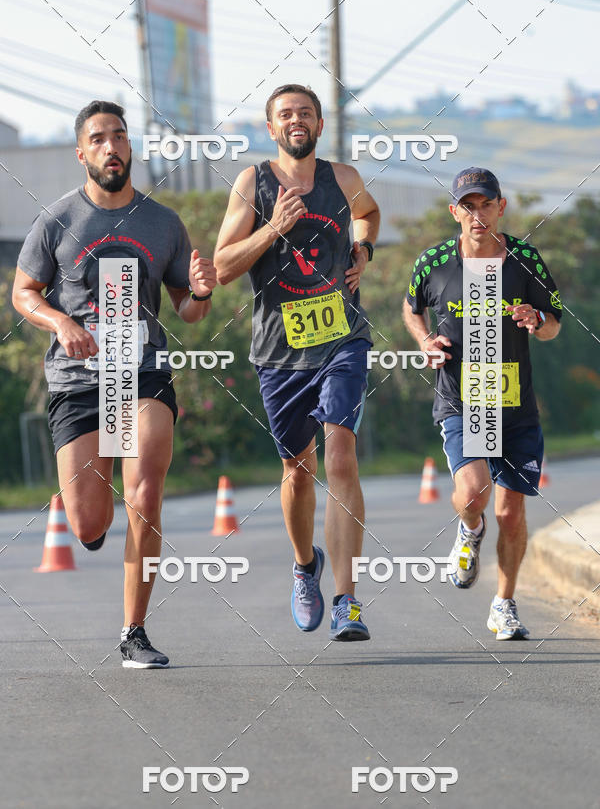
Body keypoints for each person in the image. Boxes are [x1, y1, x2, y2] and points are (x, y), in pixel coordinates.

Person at [12, 100, 216, 668]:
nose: (111, 146)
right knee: (87, 522)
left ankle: (134, 631)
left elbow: (188, 310)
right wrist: (61, 322)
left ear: (131, 148)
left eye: (120, 136)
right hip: (77, 382)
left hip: (142, 372)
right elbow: (23, 292)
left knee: (146, 492)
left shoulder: (163, 223)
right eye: (99, 138)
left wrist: (199, 291)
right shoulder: (57, 220)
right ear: (82, 153)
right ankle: (95, 519)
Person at [214, 84, 380, 640]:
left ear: (320, 123)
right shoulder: (252, 183)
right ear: (271, 128)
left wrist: (364, 248)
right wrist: (274, 228)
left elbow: (369, 214)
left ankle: (347, 601)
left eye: (305, 112)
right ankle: (305, 566)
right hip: (280, 353)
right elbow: (222, 266)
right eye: (285, 114)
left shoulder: (345, 179)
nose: (296, 121)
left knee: (340, 456)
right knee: (297, 470)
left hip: (342, 339)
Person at [403, 167, 562, 640]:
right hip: (461, 400)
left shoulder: (525, 259)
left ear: (501, 207)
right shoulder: (434, 262)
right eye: (467, 206)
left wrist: (537, 319)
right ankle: (469, 530)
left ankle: (504, 605)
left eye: (485, 204)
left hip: (514, 405)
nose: (477, 215)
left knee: (511, 512)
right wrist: (424, 341)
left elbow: (555, 323)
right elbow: (412, 308)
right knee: (473, 494)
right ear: (455, 212)